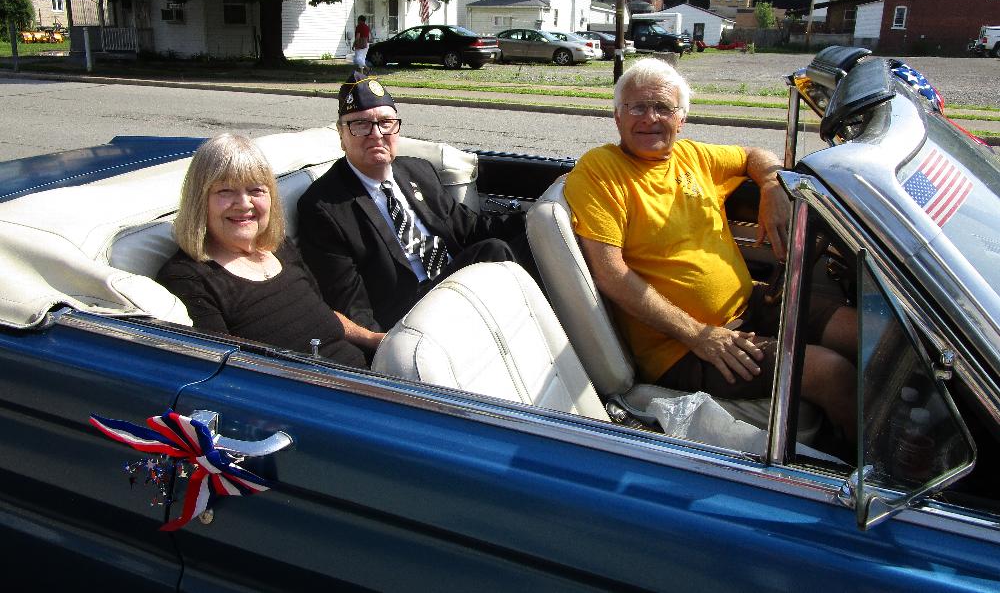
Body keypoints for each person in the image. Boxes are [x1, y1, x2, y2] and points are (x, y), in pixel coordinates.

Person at [564, 57, 857, 438]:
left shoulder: (693, 156)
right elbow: (611, 273)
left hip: (752, 304)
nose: (650, 118)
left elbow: (755, 155)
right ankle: (875, 472)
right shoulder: (600, 170)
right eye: (637, 107)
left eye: (663, 108)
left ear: (681, 119)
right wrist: (699, 335)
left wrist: (770, 184)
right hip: (681, 348)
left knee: (869, 331)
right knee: (831, 371)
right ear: (617, 117)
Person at [297, 71, 518, 332]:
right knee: (494, 251)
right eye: (360, 125)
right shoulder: (324, 207)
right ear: (341, 135)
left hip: (453, 282)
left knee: (521, 242)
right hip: (407, 313)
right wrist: (380, 350)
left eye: (386, 122)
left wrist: (534, 220)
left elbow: (468, 228)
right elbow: (350, 302)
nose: (376, 134)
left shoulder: (418, 171)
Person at [156, 133, 381, 367]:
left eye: (255, 190)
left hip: (365, 375)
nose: (244, 204)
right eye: (225, 191)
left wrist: (374, 339)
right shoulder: (187, 277)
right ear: (200, 201)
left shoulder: (279, 247)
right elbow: (228, 374)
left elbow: (322, 313)